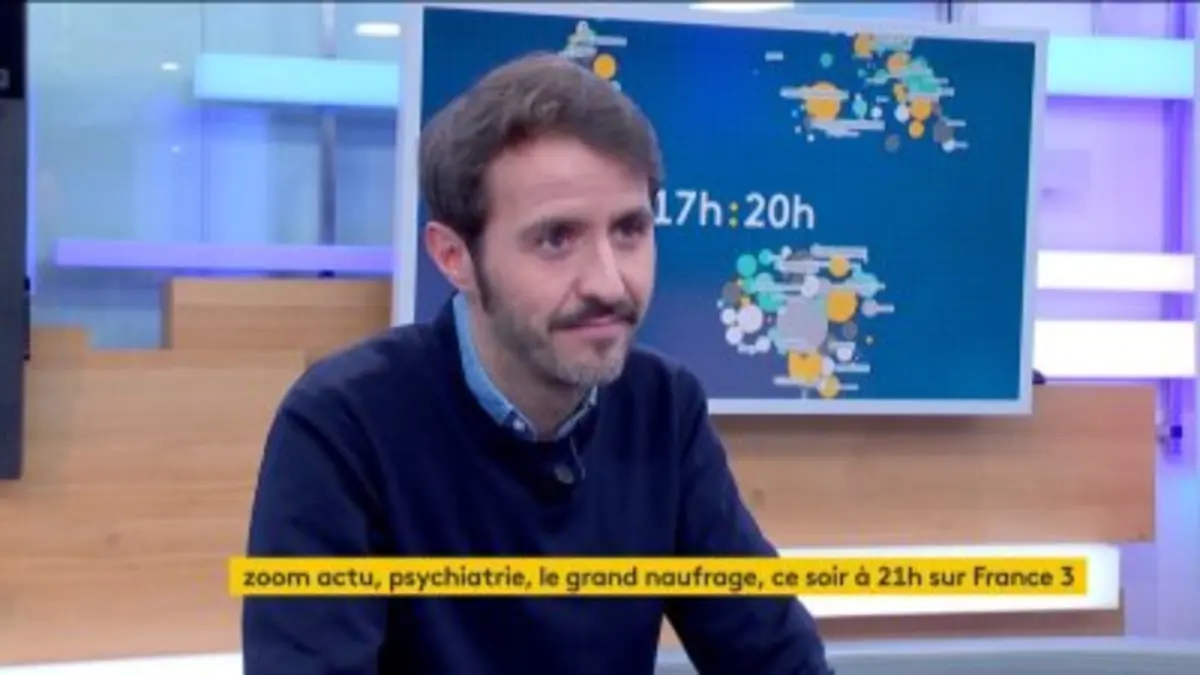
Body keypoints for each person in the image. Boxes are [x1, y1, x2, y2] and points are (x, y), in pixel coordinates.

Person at [242, 52, 832, 675]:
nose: (608, 282)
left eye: (629, 230)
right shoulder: (343, 424)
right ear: (454, 257)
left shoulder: (662, 406)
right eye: (556, 238)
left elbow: (775, 656)